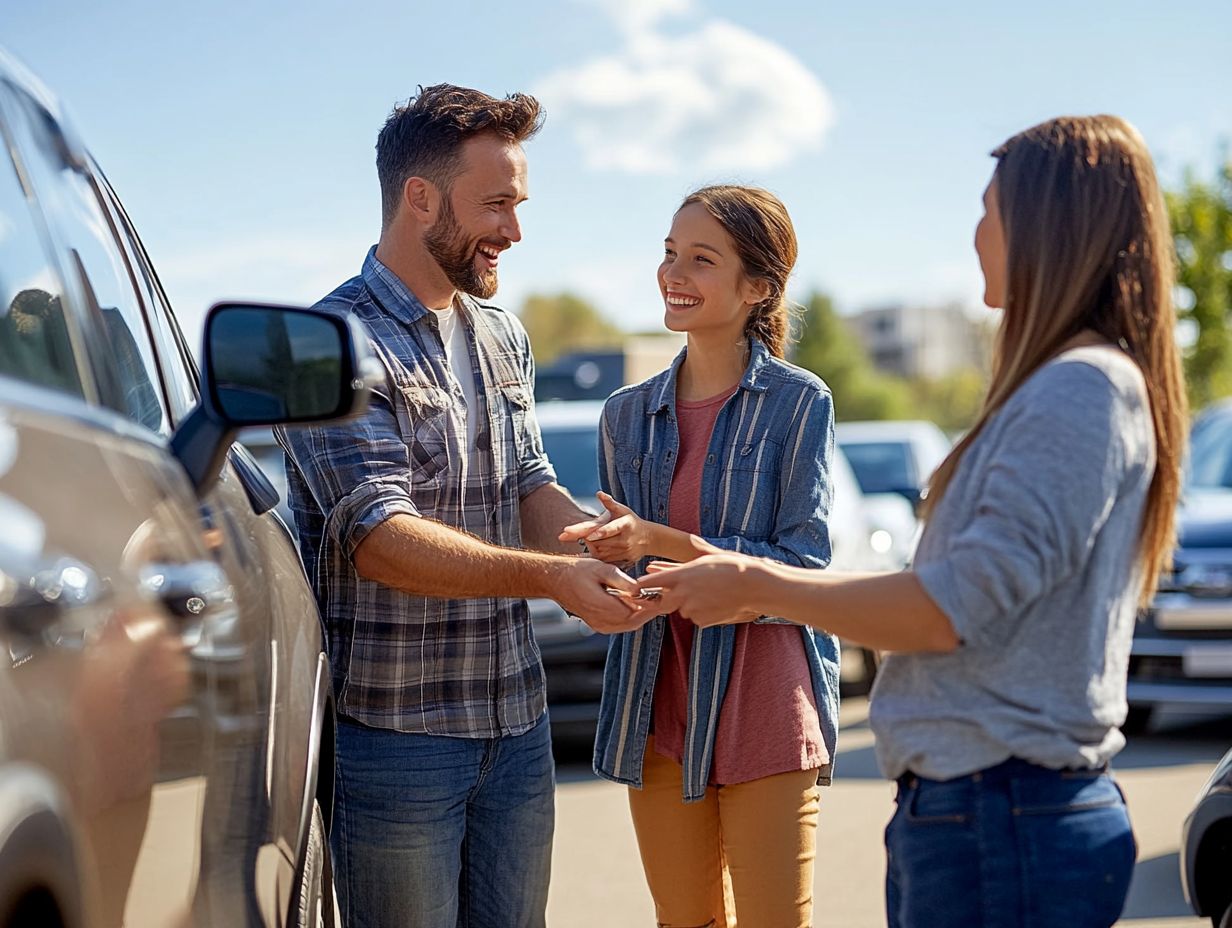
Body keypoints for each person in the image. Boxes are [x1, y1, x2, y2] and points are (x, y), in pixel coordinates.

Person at [632, 116, 1187, 928]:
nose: (975, 233)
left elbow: (946, 608)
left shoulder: (1081, 391)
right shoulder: (1069, 386)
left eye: (989, 210)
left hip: (1005, 815)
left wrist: (754, 582)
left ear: (1046, 229)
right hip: (984, 812)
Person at [277, 84, 639, 928]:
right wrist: (555, 578)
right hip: (397, 742)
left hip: (516, 727)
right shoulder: (327, 345)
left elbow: (527, 482)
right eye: (497, 204)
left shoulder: (501, 332)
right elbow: (379, 537)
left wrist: (596, 547)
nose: (514, 229)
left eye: (519, 203)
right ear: (420, 197)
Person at [559, 185, 841, 928]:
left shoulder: (798, 402)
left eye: (701, 260)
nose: (674, 273)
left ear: (758, 288)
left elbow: (803, 571)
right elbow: (630, 573)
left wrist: (662, 543)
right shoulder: (624, 413)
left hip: (764, 706)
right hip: (657, 703)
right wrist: (605, 577)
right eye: (669, 253)